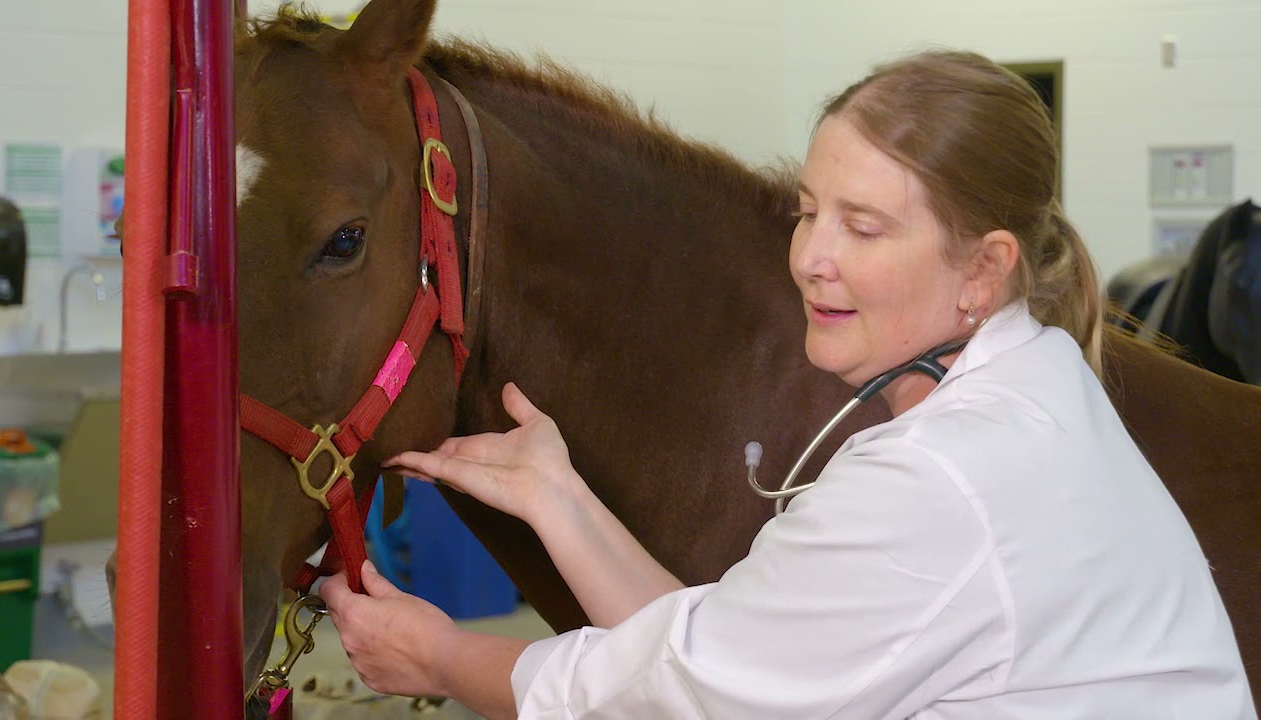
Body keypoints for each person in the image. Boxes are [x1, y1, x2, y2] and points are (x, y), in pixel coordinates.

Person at [318, 50, 1254, 719]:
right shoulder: (1034, 388)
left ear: (982, 269)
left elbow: (683, 696)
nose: (811, 258)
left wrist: (440, 656)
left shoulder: (947, 478)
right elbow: (736, 657)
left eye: (865, 228)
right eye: (809, 213)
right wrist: (558, 495)